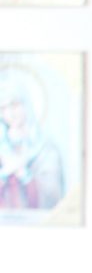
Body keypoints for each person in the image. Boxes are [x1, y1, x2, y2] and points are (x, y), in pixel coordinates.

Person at [0, 64, 64, 211]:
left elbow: (53, 197)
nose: (10, 113)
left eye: (14, 105)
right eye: (3, 108)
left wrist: (24, 174)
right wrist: (5, 173)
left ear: (27, 105)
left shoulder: (46, 149)